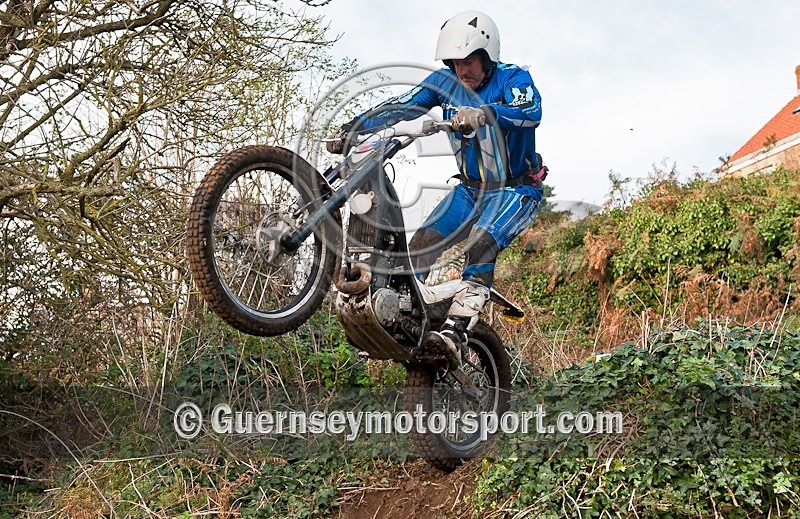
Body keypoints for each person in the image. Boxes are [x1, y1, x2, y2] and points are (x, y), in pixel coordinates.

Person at [327, 10, 545, 366]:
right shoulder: (443, 82)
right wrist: (355, 126)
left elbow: (530, 110)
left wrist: (485, 112)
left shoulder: (513, 78)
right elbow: (402, 106)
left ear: (487, 55)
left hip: (514, 191)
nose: (463, 70)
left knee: (481, 242)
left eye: (470, 61)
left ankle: (457, 332)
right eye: (455, 62)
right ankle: (409, 316)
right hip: (469, 191)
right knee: (421, 244)